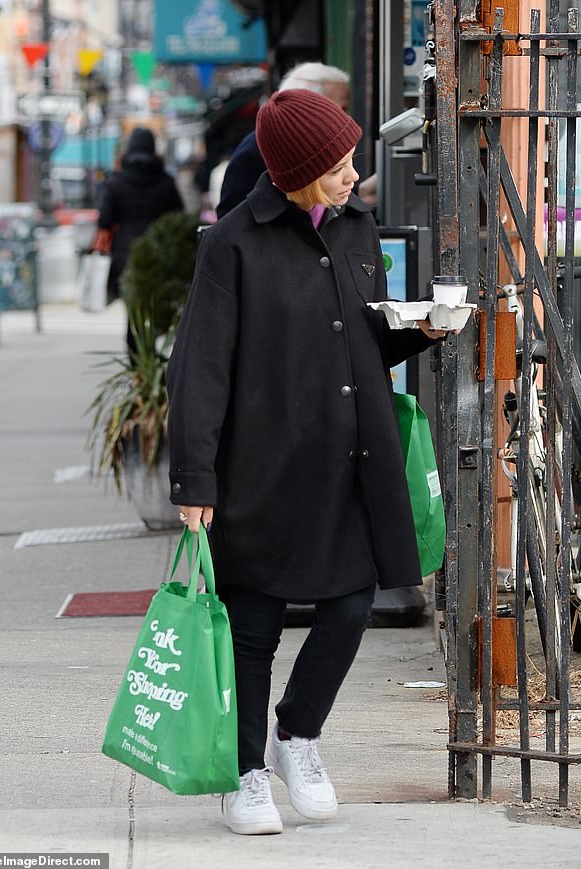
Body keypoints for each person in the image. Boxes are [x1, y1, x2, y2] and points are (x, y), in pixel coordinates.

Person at [167, 89, 448, 836]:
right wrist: (194, 478)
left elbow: (365, 337)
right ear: (294, 173)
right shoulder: (233, 243)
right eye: (336, 166)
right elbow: (199, 369)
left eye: (352, 158)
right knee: (255, 626)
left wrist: (421, 329)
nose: (353, 175)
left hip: (351, 457)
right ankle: (245, 774)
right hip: (262, 466)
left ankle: (296, 734)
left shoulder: (356, 227)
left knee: (353, 606)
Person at [216, 62, 351, 219]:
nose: (346, 117)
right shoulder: (256, 148)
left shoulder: (327, 146)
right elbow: (231, 219)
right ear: (308, 106)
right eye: (342, 109)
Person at [97, 126, 184, 349]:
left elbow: (105, 220)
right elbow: (178, 217)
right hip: (158, 255)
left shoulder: (116, 183)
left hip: (125, 256)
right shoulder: (166, 182)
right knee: (155, 308)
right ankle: (153, 363)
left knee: (132, 312)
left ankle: (138, 366)